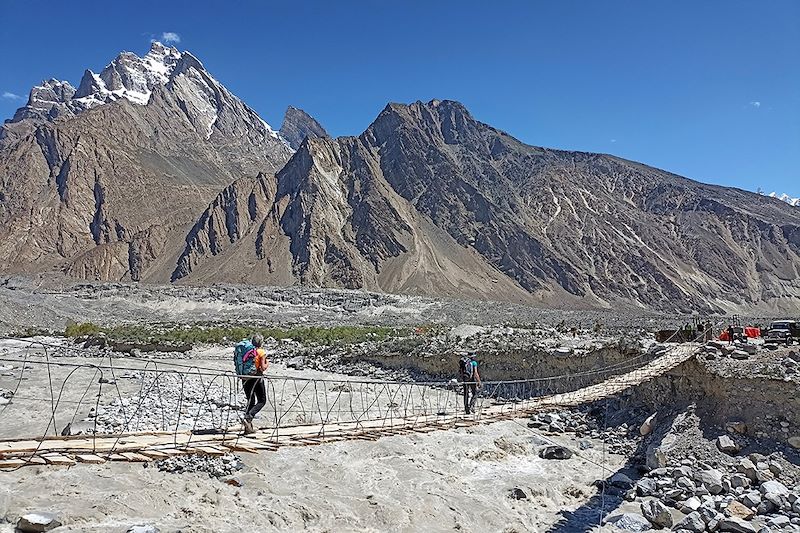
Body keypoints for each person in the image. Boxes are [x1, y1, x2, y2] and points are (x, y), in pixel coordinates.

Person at [239, 333, 269, 434]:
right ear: (261, 342)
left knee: (250, 401)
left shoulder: (246, 351)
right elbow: (262, 367)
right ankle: (249, 416)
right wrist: (267, 363)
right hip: (256, 378)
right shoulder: (261, 352)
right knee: (262, 400)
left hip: (245, 378)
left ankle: (248, 428)